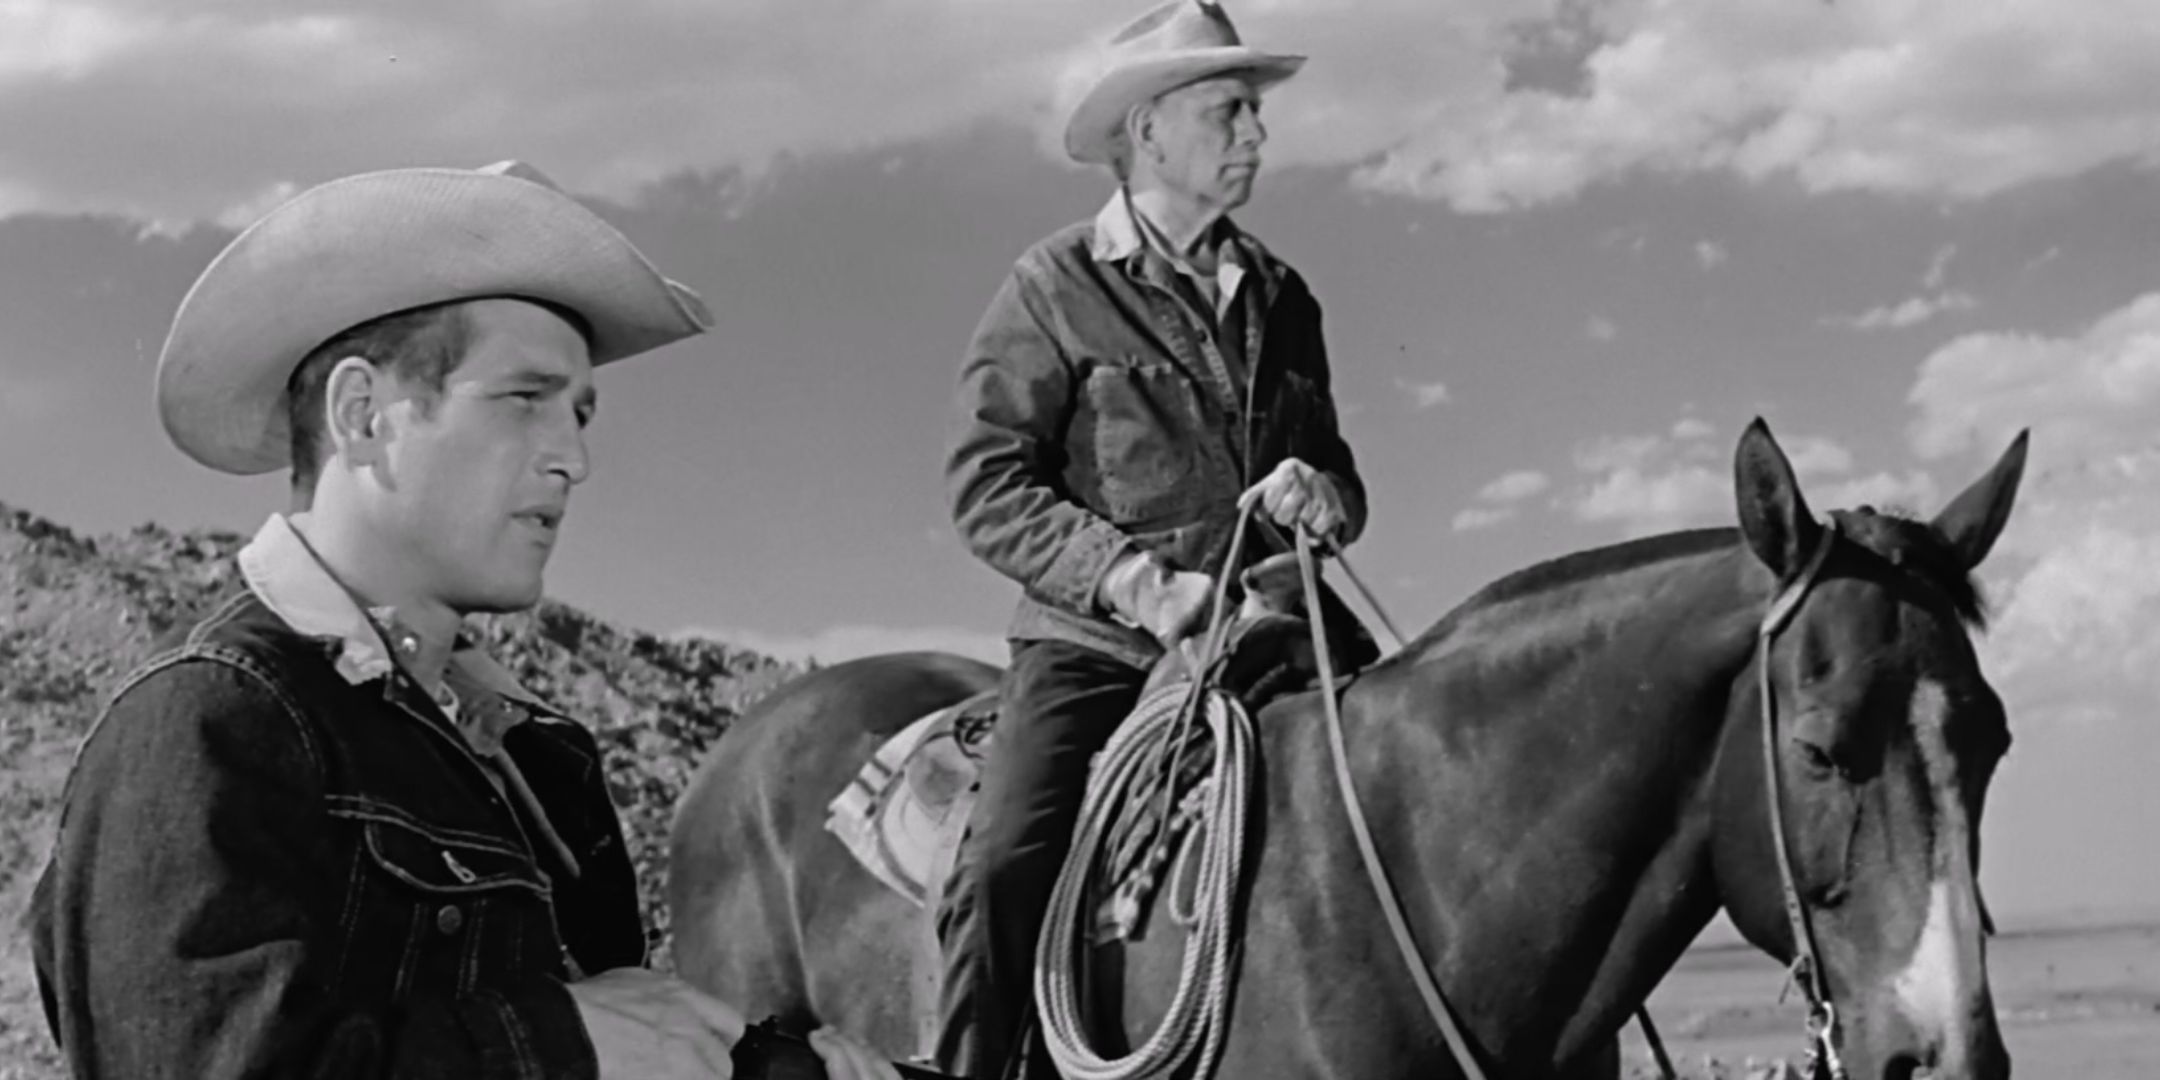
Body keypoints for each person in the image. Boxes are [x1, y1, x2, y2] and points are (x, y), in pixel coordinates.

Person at [27, 160, 898, 1080]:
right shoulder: (213, 720)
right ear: (363, 415)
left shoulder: (536, 759)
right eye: (524, 400)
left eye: (581, 414)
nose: (573, 459)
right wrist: (561, 1038)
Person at [934, 2, 1372, 1075]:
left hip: (1271, 624)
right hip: (1098, 645)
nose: (1258, 135)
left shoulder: (1284, 298)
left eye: (1255, 112)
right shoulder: (1052, 286)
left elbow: (1345, 480)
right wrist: (1134, 582)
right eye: (1231, 111)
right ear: (1148, 131)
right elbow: (984, 484)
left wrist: (1326, 495)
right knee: (1001, 864)